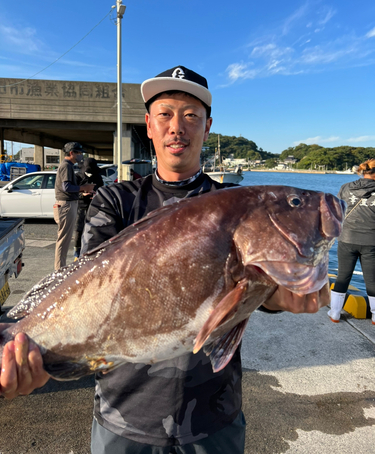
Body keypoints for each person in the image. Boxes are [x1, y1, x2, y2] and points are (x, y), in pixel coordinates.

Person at [0, 66, 330, 454]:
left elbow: (255, 287)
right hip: (123, 418)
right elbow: (88, 284)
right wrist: (30, 345)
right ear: (149, 126)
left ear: (207, 128)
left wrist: (281, 294)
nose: (178, 126)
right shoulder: (114, 201)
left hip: (213, 418)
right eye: (165, 114)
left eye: (191, 116)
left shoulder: (236, 204)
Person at [328, 159, 375, 324]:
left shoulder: (346, 187)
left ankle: (334, 313)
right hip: (371, 240)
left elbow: (337, 210)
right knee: (372, 279)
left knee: (342, 276)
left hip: (347, 238)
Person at [54, 142, 95, 270]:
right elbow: (66, 187)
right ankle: (59, 270)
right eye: (78, 153)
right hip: (66, 205)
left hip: (68, 204)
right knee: (64, 240)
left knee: (65, 239)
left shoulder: (68, 165)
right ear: (71, 153)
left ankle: (60, 268)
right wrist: (84, 187)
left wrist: (83, 191)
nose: (81, 155)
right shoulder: (66, 166)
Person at [73, 157, 104, 259]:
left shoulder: (98, 177)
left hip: (94, 205)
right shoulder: (77, 177)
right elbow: (71, 192)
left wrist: (96, 194)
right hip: (80, 206)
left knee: (93, 228)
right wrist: (82, 195)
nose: (90, 174)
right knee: (79, 229)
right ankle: (77, 252)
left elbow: (101, 189)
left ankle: (91, 250)